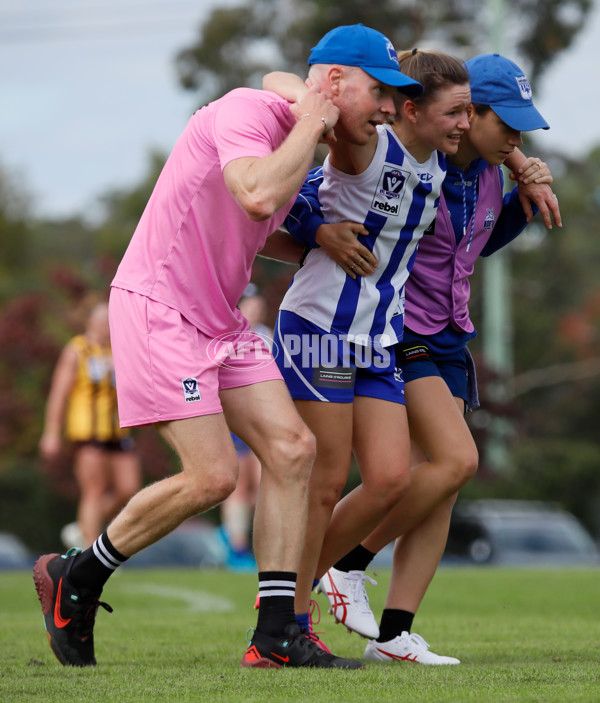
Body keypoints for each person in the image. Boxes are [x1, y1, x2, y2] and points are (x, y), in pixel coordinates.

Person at [32, 23, 418, 671]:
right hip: (160, 309)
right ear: (332, 83)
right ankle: (77, 573)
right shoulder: (244, 111)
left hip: (220, 321)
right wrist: (311, 118)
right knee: (211, 476)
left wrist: (316, 235)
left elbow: (259, 223)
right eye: (378, 92)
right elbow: (258, 191)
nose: (386, 109)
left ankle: (274, 636)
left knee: (293, 450)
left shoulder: (300, 134)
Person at [313, 53, 561, 665]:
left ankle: (394, 634)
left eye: (522, 131)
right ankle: (341, 564)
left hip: (452, 336)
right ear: (468, 112)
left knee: (441, 486)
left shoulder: (490, 173)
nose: (515, 137)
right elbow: (394, 109)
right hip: (403, 330)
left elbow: (476, 246)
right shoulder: (421, 157)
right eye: (505, 123)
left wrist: (521, 192)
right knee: (456, 461)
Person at [262, 49, 472, 646]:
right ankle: (285, 623)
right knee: (325, 483)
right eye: (455, 112)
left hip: (379, 339)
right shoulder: (366, 147)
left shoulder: (437, 167)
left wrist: (528, 165)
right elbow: (276, 81)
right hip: (321, 328)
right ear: (411, 109)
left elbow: (493, 137)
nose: (464, 123)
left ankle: (304, 591)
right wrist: (315, 228)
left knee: (387, 480)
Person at [39, 300, 141, 548]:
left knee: (130, 488)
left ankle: (81, 528)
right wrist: (51, 432)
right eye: (102, 319)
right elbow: (59, 393)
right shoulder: (77, 350)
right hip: (87, 431)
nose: (107, 325)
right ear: (89, 321)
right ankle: (90, 550)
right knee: (94, 489)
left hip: (118, 431)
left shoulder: (117, 349)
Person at [219, 286, 271, 572]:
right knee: (239, 486)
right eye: (252, 307)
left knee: (266, 483)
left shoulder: (268, 335)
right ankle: (237, 547)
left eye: (260, 308)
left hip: (262, 418)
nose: (256, 312)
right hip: (235, 418)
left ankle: (236, 536)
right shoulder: (227, 333)